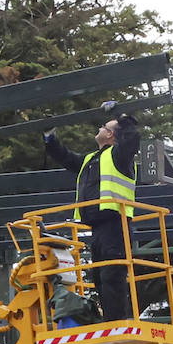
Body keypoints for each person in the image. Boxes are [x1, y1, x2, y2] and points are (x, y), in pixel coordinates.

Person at [43, 108, 140, 322]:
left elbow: (132, 138)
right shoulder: (90, 160)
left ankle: (116, 323)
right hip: (97, 227)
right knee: (99, 277)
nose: (99, 128)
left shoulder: (119, 156)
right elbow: (65, 157)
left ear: (111, 135)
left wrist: (122, 116)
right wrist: (50, 137)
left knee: (112, 274)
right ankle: (110, 321)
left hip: (116, 223)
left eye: (104, 127)